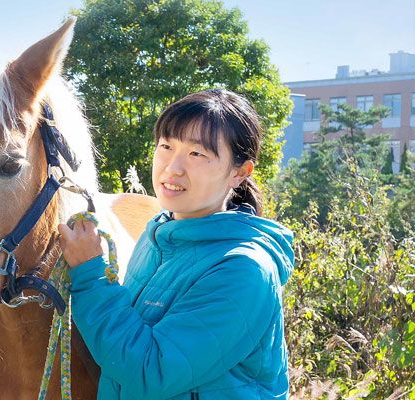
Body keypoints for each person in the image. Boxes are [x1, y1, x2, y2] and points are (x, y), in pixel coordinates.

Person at [58, 89, 294, 399]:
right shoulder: (157, 235)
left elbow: (150, 371)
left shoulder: (244, 269)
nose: (172, 167)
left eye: (197, 154)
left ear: (239, 172)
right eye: (166, 146)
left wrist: (90, 277)